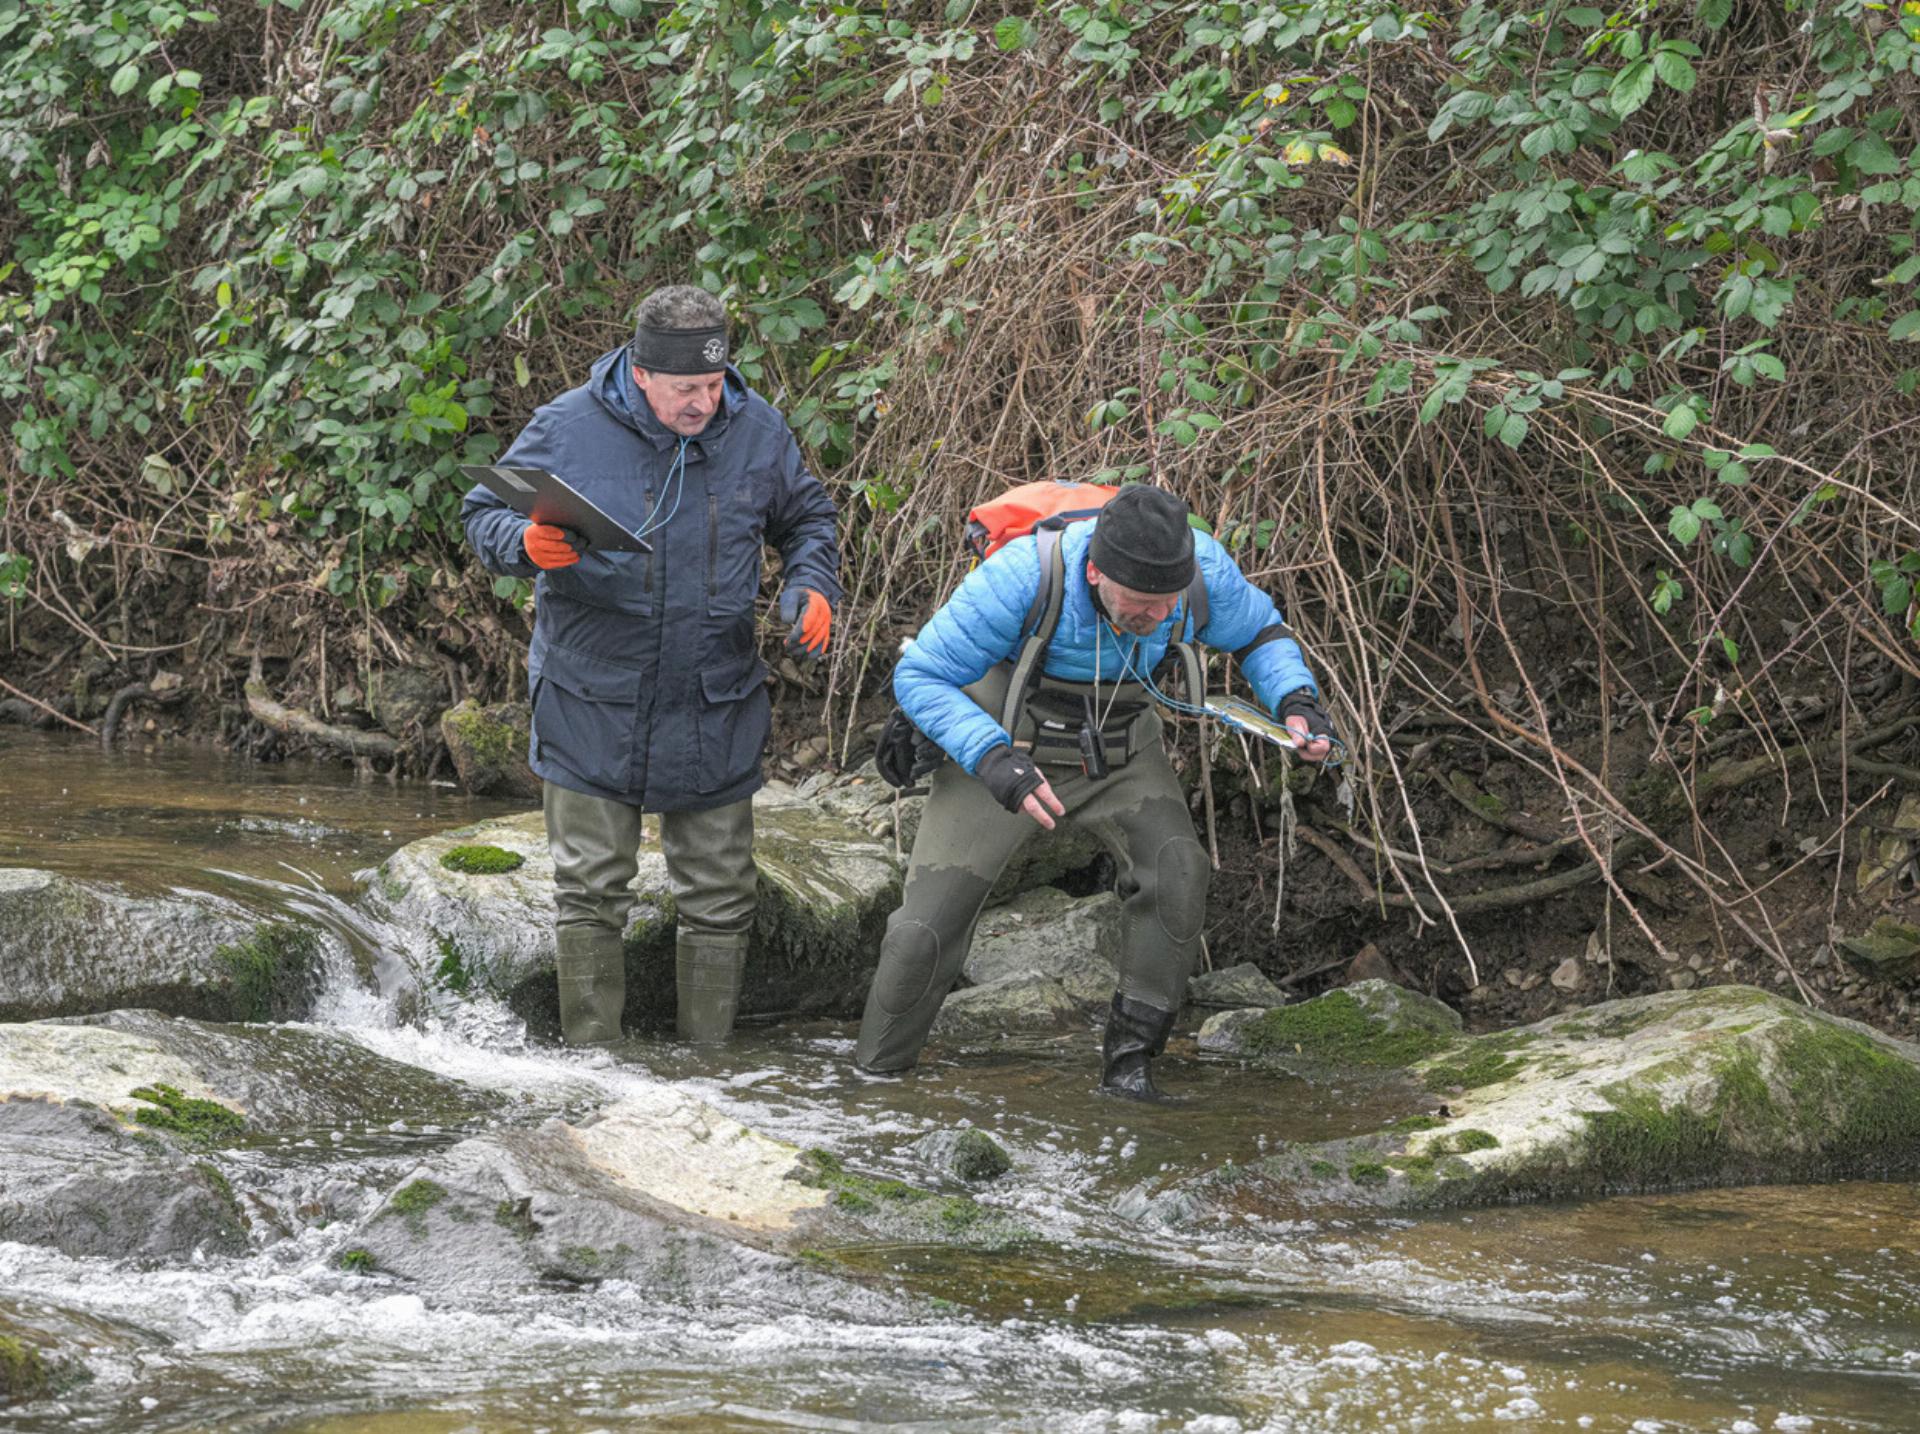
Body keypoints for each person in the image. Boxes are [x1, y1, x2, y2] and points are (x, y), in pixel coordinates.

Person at [854, 485, 1333, 1099]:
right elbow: (920, 674)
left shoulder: (1201, 573)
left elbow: (1261, 633)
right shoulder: (1022, 578)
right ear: (1095, 570)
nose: (1158, 618)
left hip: (1122, 747)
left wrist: (1297, 703)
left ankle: (1130, 1067)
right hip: (1005, 745)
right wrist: (994, 759)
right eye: (1141, 604)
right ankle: (876, 1079)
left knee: (1179, 870)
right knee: (926, 925)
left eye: (1168, 605)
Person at [463, 285, 841, 1047]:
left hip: (713, 698)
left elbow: (808, 519)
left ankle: (706, 1070)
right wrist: (523, 545)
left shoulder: (758, 430)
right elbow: (484, 511)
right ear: (640, 374)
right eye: (684, 389)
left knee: (721, 896)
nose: (703, 402)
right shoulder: (567, 426)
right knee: (590, 893)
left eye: (712, 384)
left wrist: (812, 585)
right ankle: (593, 1073)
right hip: (592, 695)